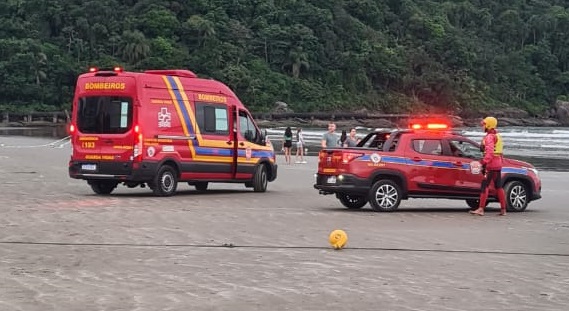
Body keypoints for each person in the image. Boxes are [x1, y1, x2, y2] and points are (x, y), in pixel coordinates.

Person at [470, 116, 507, 216]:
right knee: (499, 186)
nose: (483, 126)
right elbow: (499, 152)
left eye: (484, 124)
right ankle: (503, 210)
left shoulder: (489, 137)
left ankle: (481, 209)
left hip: (491, 164)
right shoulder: (498, 136)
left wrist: (482, 162)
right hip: (498, 163)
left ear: (489, 125)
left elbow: (489, 153)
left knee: (484, 185)